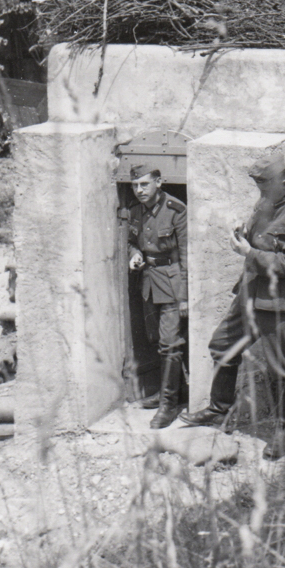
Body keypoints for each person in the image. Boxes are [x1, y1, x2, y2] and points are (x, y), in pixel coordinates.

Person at [180, 151, 285, 460]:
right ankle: (220, 411)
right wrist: (242, 234)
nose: (260, 195)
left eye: (264, 188)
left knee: (283, 368)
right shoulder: (269, 200)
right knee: (221, 346)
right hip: (249, 293)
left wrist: (248, 253)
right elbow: (261, 238)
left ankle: (284, 432)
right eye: (259, 188)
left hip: (276, 302)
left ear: (283, 182)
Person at [127, 165, 187, 429]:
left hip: (173, 284)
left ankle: (168, 405)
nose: (139, 190)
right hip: (149, 282)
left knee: (170, 344)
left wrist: (184, 297)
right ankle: (173, 393)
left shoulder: (176, 209)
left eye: (144, 184)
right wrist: (134, 254)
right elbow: (131, 240)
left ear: (159, 182)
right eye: (135, 185)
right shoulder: (135, 210)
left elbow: (186, 255)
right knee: (157, 341)